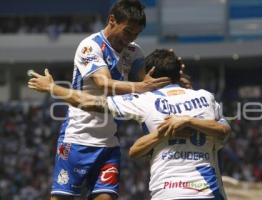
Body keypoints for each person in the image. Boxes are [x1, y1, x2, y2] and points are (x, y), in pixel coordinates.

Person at [28, 49, 230, 200]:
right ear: (179, 73)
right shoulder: (206, 98)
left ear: (150, 72)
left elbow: (89, 102)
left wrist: (53, 88)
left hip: (168, 192)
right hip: (208, 192)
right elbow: (224, 131)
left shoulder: (145, 100)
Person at [30, 1, 170, 200]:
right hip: (77, 139)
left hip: (109, 144)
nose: (130, 38)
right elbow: (103, 82)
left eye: (136, 34)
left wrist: (173, 79)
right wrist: (140, 87)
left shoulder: (133, 51)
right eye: (127, 31)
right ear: (112, 20)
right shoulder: (90, 46)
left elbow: (147, 79)